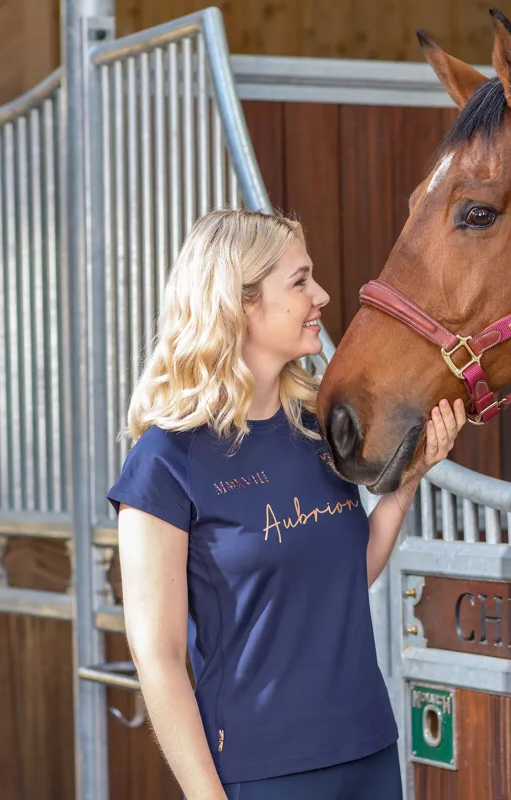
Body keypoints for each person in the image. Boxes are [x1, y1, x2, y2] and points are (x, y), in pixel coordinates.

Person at [107, 208, 466, 800]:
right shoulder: (164, 462)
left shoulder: (313, 431)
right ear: (240, 302)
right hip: (262, 771)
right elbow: (160, 656)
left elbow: (346, 576)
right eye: (299, 281)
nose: (321, 295)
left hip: (369, 751)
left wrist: (407, 481)